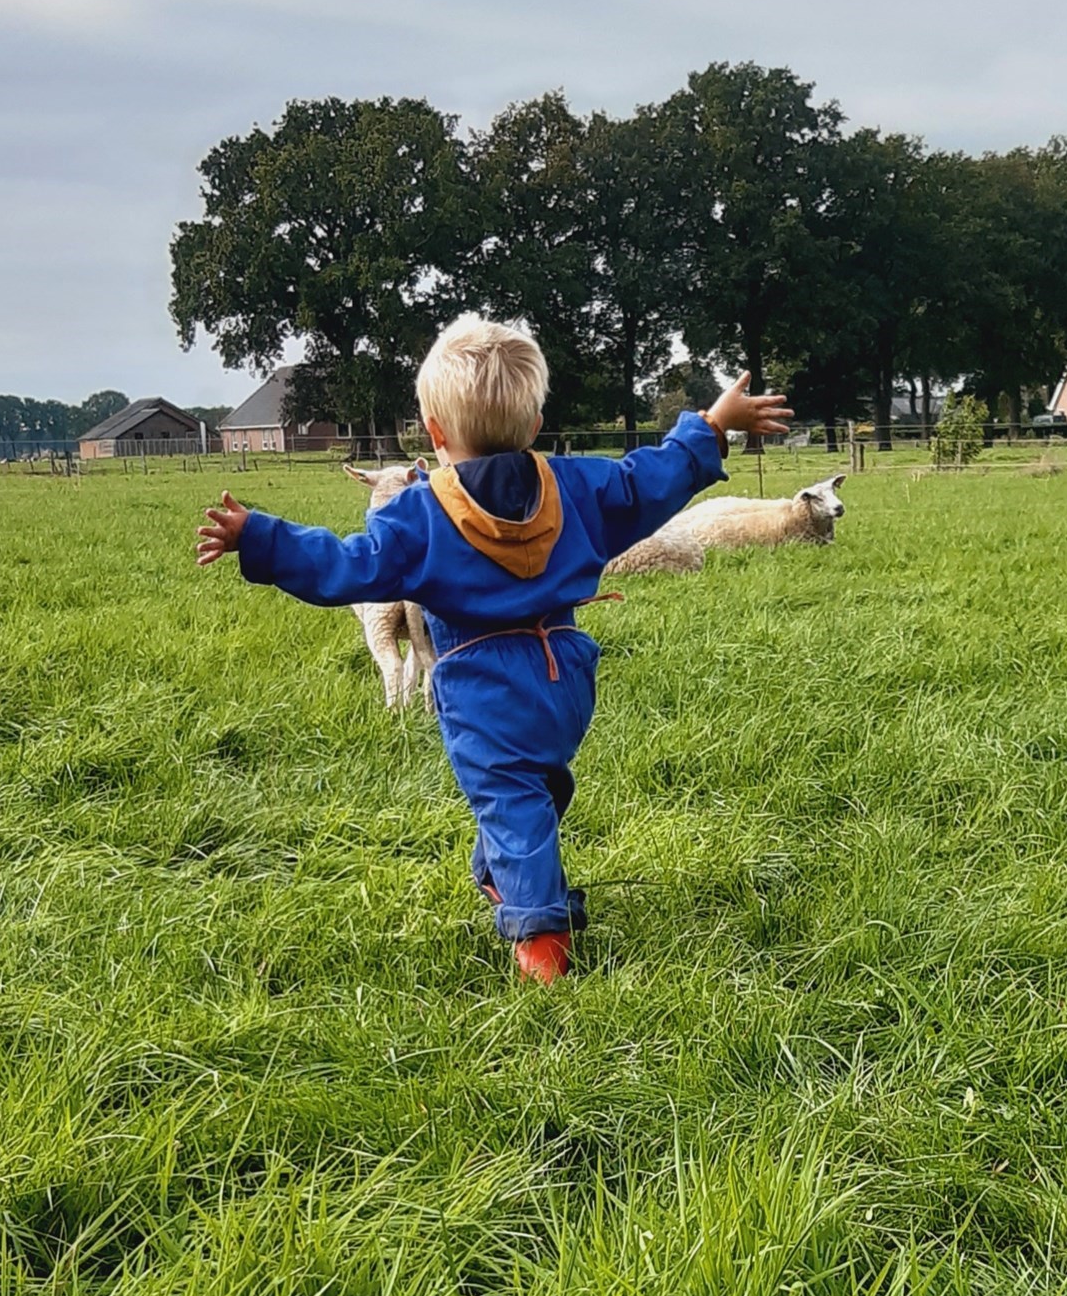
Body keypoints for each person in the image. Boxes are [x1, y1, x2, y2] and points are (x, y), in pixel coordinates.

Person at [196, 317, 792, 982]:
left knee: (511, 800)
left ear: (434, 431)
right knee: (533, 789)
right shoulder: (576, 487)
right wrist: (711, 423)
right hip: (564, 679)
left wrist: (261, 537)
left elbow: (347, 565)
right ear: (534, 425)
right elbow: (647, 481)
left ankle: (543, 942)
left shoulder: (419, 515)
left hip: (483, 691)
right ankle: (501, 873)